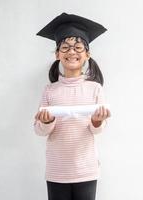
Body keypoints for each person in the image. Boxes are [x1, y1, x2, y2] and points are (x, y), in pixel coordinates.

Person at [33, 12, 111, 200]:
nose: (71, 52)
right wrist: (47, 121)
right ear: (57, 54)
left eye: (77, 47)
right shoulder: (49, 90)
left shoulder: (95, 89)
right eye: (65, 47)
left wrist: (97, 121)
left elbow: (98, 130)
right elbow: (39, 131)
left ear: (87, 54)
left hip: (86, 169)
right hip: (57, 170)